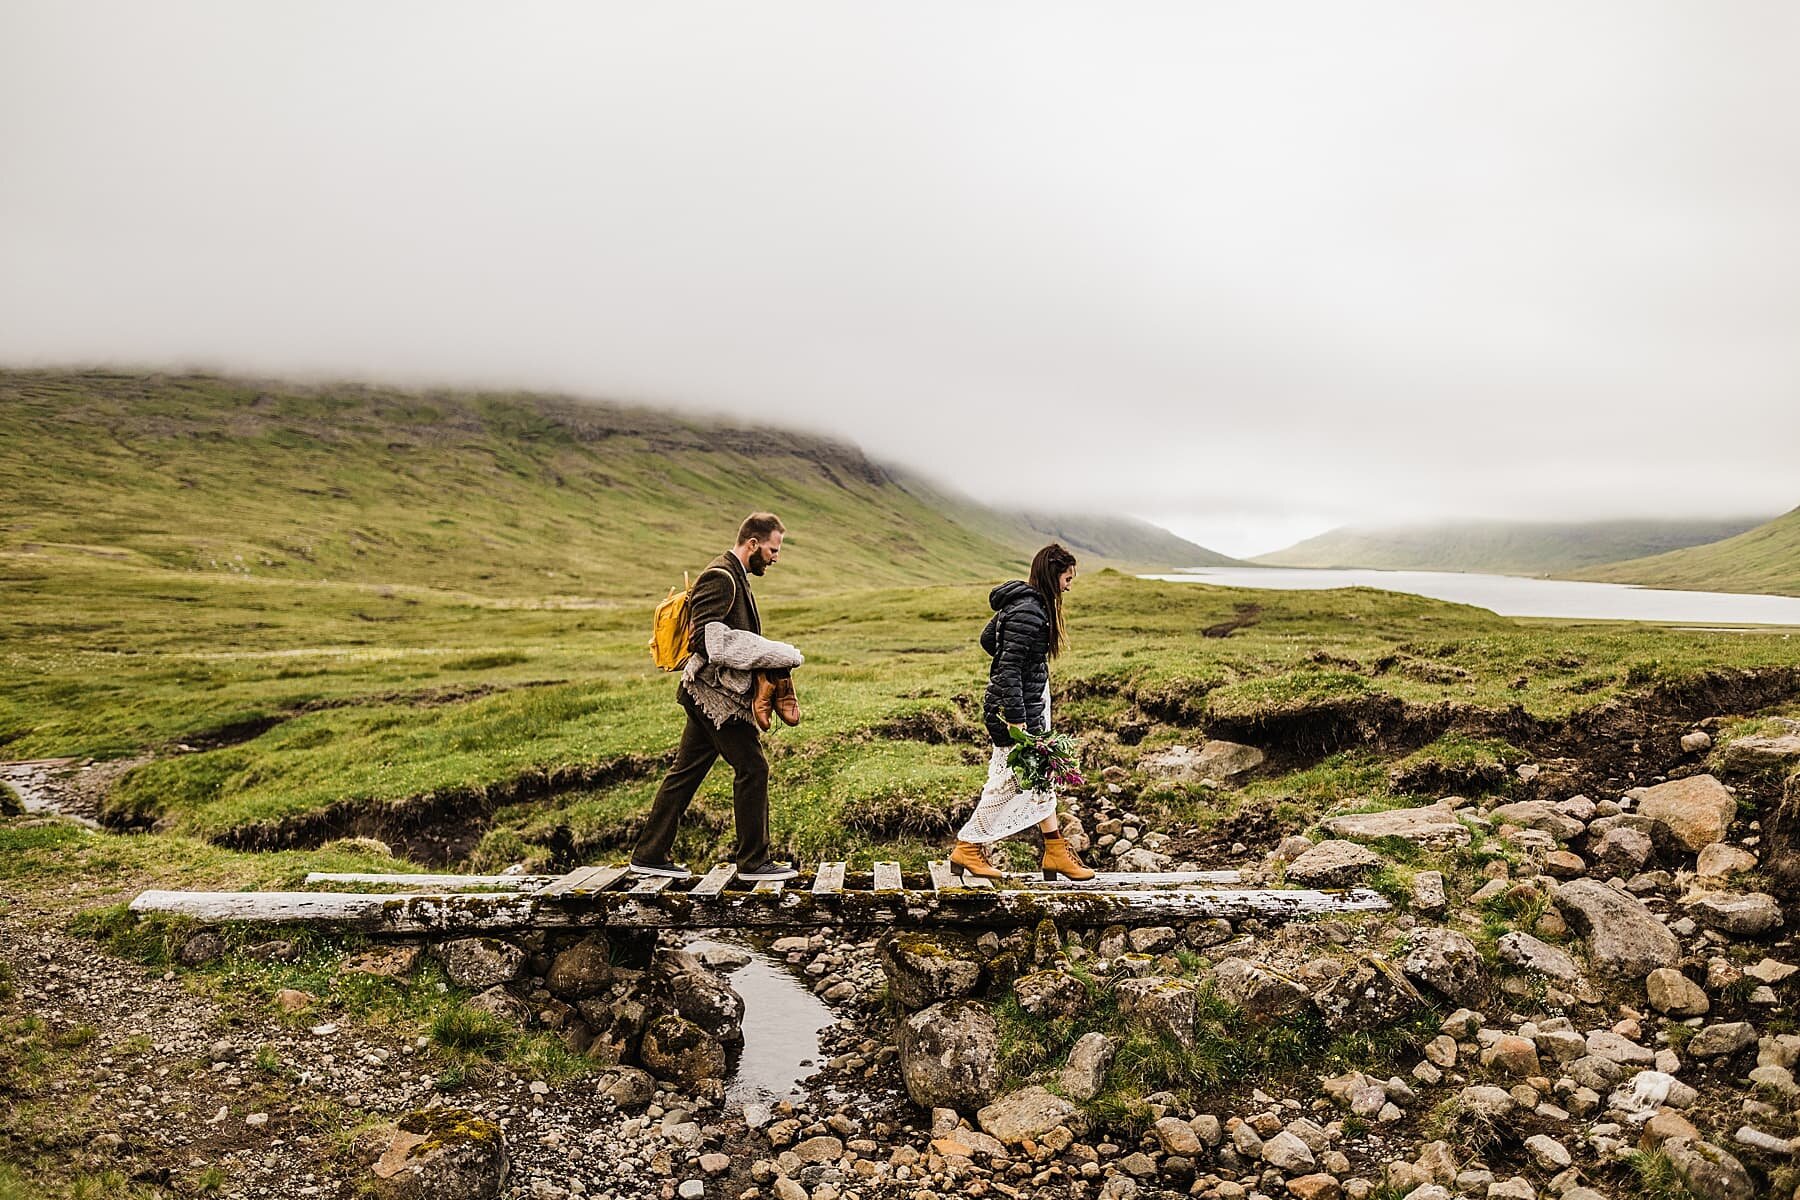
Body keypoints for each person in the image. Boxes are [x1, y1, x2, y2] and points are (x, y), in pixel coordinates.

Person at [630, 512, 803, 882]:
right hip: (712, 698)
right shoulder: (720, 576)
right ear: (753, 544)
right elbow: (709, 642)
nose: (776, 557)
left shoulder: (736, 575)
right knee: (753, 767)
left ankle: (648, 854)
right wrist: (777, 652)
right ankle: (753, 862)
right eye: (772, 550)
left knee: (685, 773)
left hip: (706, 696)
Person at [949, 543, 1095, 882]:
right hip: (1015, 712)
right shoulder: (1029, 611)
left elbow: (990, 640)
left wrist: (1021, 667)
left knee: (1040, 774)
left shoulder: (1023, 605)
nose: (1069, 586)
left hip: (1025, 705)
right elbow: (1009, 668)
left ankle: (1055, 851)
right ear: (1052, 574)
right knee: (1009, 780)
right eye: (1067, 578)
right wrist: (1017, 720)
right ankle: (969, 846)